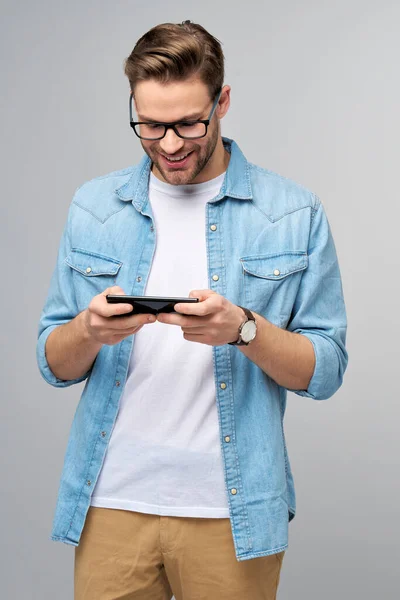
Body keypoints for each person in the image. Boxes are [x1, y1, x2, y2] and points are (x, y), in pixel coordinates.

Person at [37, 20, 348, 600]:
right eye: (150, 125)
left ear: (222, 101)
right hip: (110, 504)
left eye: (188, 123)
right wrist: (89, 328)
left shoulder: (293, 212)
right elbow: (53, 362)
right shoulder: (94, 206)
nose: (171, 144)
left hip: (232, 512)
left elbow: (325, 370)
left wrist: (244, 330)